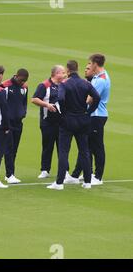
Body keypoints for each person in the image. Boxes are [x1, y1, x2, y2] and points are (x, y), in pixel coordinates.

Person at [47, 60, 100, 190]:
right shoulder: (85, 83)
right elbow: (97, 97)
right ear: (77, 68)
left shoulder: (64, 84)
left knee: (64, 151)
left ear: (68, 70)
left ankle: (59, 183)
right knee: (84, 151)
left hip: (68, 121)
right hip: (83, 119)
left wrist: (64, 112)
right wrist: (89, 111)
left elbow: (60, 99)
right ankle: (87, 182)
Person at [68, 54, 110, 186]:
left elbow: (89, 99)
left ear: (95, 64)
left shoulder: (101, 80)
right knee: (86, 146)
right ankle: (81, 174)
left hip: (97, 115)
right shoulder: (98, 77)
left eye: (90, 64)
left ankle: (98, 176)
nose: (88, 66)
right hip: (93, 115)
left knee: (96, 146)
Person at [31, 65, 66, 178]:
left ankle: (64, 171)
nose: (64, 74)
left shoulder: (64, 85)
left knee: (62, 147)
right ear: (55, 74)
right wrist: (46, 105)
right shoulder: (44, 85)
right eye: (62, 72)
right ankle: (45, 169)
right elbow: (34, 99)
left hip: (62, 122)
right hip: (47, 122)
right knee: (47, 146)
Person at [2, 69, 29, 184]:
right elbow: (1, 104)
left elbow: (24, 102)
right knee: (8, 148)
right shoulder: (5, 86)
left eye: (25, 81)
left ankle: (10, 173)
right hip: (7, 123)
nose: (23, 82)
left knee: (15, 149)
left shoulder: (25, 87)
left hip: (18, 122)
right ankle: (9, 174)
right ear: (17, 76)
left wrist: (23, 113)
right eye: (22, 80)